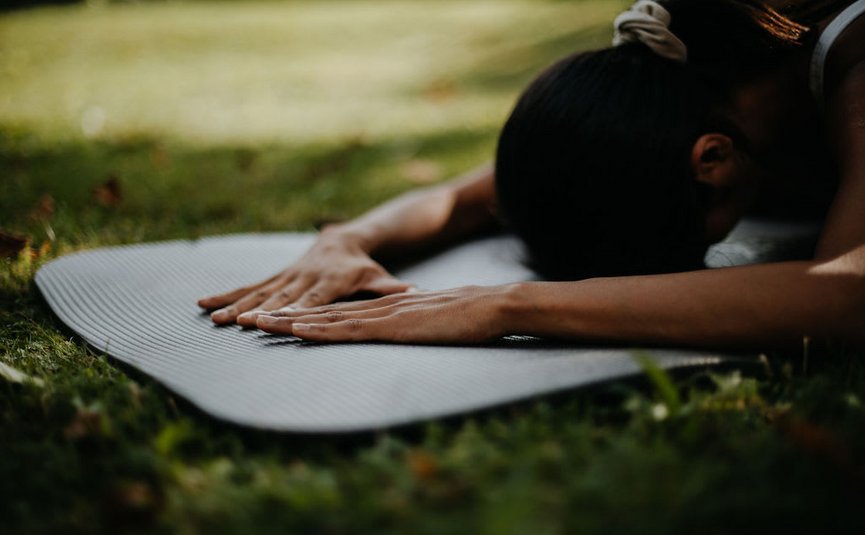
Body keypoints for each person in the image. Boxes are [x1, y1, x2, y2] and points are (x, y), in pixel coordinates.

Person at [198, 0, 865, 347]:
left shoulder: (852, 63)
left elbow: (846, 295)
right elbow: (465, 197)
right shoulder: (666, 85)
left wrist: (507, 306)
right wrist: (348, 240)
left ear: (710, 161)